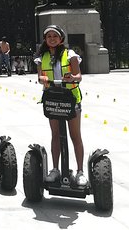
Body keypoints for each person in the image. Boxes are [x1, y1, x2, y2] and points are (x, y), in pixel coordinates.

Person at [34, 24, 87, 187]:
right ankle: (56, 169)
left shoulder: (70, 55)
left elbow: (79, 76)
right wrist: (42, 79)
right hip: (53, 99)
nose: (52, 39)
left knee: (74, 135)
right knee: (55, 134)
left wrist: (72, 77)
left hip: (70, 99)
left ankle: (80, 172)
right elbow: (40, 76)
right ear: (45, 39)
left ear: (61, 39)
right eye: (49, 36)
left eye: (55, 36)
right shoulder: (41, 57)